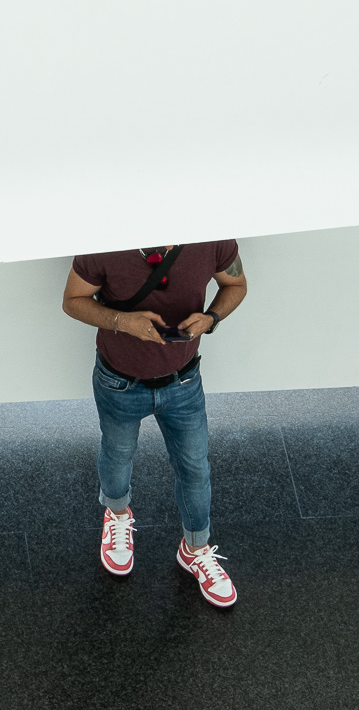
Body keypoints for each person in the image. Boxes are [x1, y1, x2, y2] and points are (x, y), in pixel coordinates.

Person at [61, 239, 247, 606]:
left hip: (184, 380)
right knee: (117, 455)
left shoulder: (213, 237)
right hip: (119, 381)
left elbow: (236, 283)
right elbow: (72, 300)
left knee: (195, 467)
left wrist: (211, 319)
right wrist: (121, 321)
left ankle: (195, 549)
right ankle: (117, 515)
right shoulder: (104, 241)